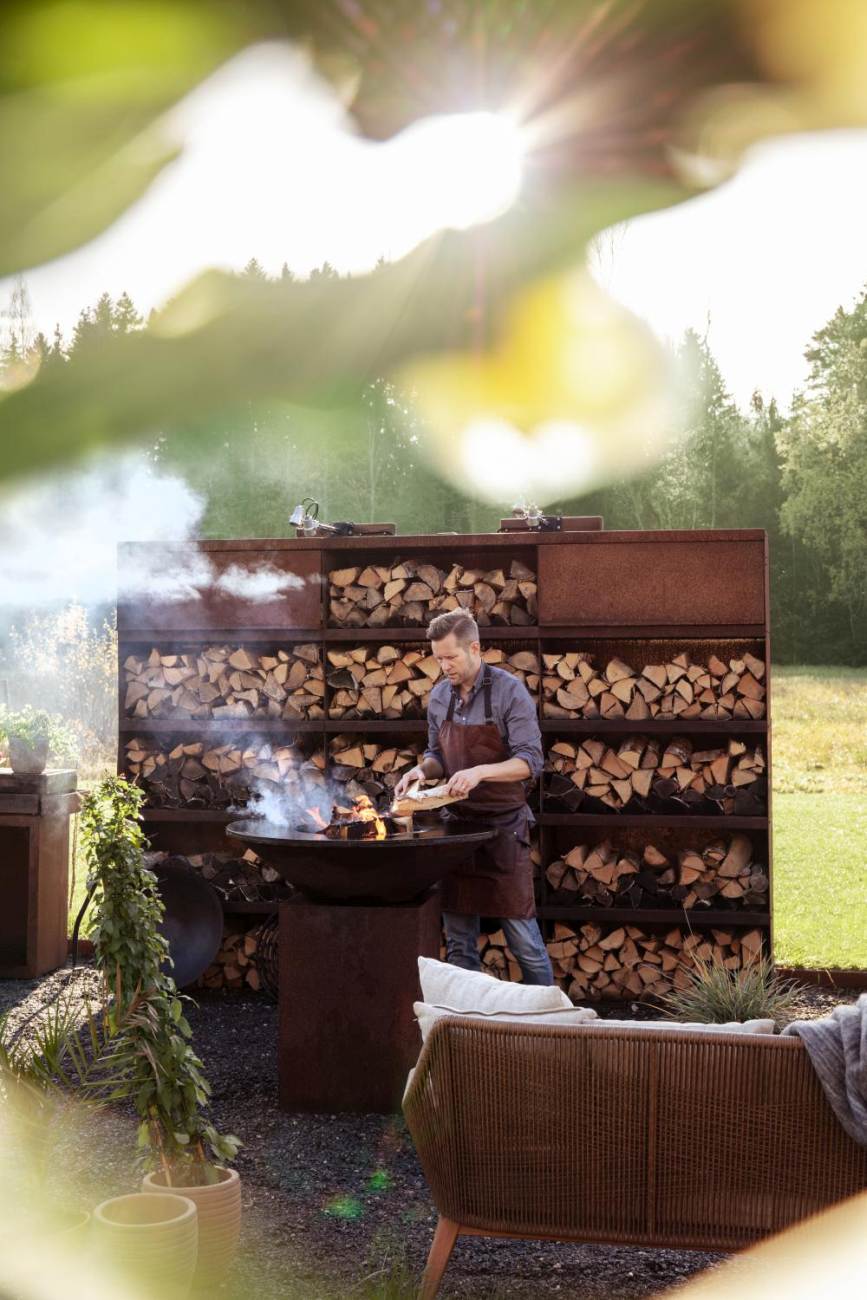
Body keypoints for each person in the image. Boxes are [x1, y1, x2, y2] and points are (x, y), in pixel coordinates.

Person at [394, 608, 554, 985]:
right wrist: (420, 771)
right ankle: (467, 1032)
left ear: (475, 648)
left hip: (504, 830)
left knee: (524, 942)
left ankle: (552, 1029)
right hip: (458, 833)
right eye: (438, 659)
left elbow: (531, 761)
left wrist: (481, 772)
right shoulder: (438, 697)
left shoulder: (509, 691)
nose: (444, 665)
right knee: (460, 944)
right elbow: (436, 755)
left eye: (450, 657)